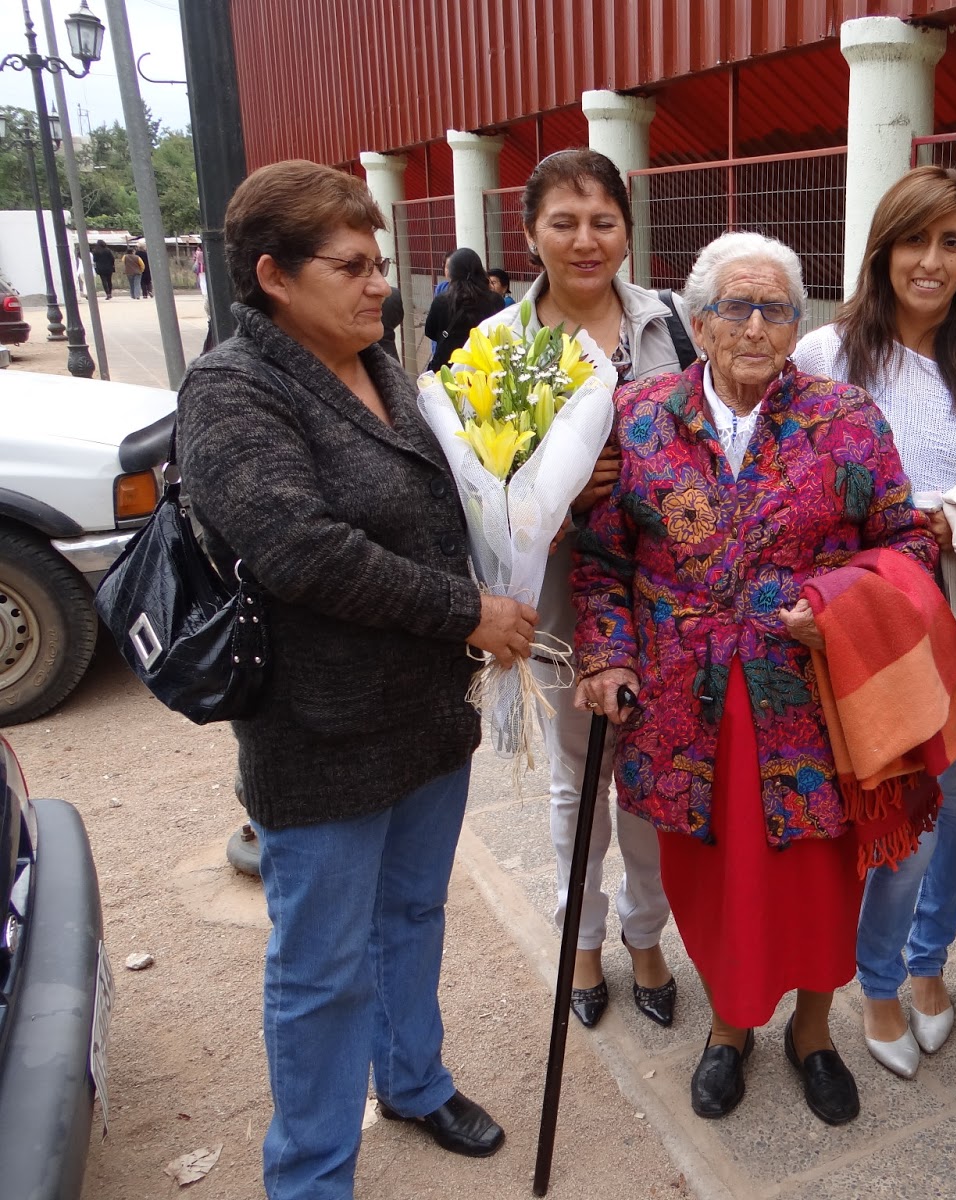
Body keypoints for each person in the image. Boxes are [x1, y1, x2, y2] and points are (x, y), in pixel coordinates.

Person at [176, 159, 537, 1198]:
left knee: (412, 917)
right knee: (321, 968)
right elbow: (301, 549)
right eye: (351, 266)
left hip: (424, 718)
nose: (378, 283)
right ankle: (310, 1174)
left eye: (378, 262)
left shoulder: (380, 368)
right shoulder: (234, 391)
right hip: (322, 735)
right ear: (273, 276)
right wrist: (469, 610)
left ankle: (415, 1082)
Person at [571, 230, 939, 1126]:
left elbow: (908, 540)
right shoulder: (639, 414)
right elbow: (599, 557)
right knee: (711, 877)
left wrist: (839, 605)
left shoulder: (846, 416)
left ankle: (813, 1033)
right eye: (735, 306)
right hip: (683, 705)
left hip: (812, 701)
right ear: (697, 321)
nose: (754, 325)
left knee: (818, 875)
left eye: (775, 308)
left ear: (796, 326)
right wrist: (608, 654)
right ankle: (729, 1029)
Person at [792, 165, 956, 1080]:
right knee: (884, 795)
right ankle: (875, 978)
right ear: (882, 248)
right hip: (860, 611)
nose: (930, 261)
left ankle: (927, 965)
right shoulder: (827, 353)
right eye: (914, 240)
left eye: (951, 242)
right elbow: (795, 476)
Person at [478, 147, 697, 1031]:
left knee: (651, 769)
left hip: (668, 590)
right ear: (530, 234)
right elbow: (485, 494)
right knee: (582, 772)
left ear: (627, 232)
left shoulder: (676, 326)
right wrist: (562, 494)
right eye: (563, 222)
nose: (584, 239)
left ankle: (647, 935)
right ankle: (583, 938)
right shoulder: (501, 346)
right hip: (564, 595)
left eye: (602, 220)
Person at [423, 247, 505, 372]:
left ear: (452, 272)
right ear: (480, 269)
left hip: (447, 370)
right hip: (482, 369)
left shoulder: (442, 301)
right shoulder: (495, 301)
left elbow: (430, 331)